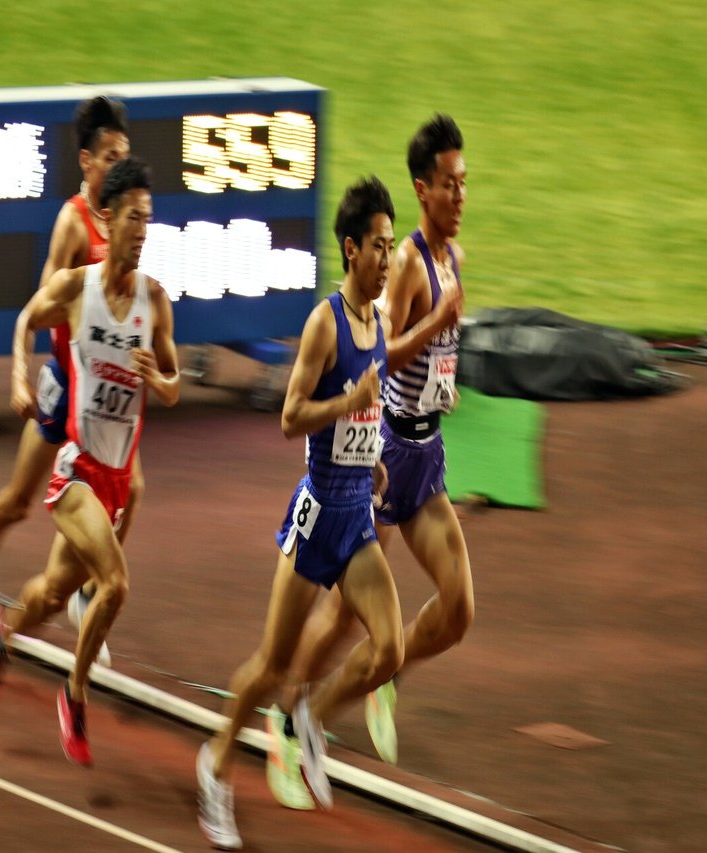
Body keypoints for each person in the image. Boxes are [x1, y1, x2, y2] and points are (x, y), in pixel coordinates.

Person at [268, 115, 473, 809]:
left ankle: (381, 675)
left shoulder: (454, 259)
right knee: (340, 616)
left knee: (458, 608)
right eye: (449, 183)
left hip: (426, 453)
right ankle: (290, 712)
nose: (460, 194)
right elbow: (378, 350)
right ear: (423, 189)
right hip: (382, 447)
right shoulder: (409, 262)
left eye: (464, 182)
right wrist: (437, 325)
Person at [196, 176, 404, 850]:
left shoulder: (381, 323)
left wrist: (368, 454)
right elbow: (289, 417)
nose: (386, 256)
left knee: (389, 647)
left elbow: (362, 414)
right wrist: (346, 407)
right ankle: (216, 764)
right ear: (350, 249)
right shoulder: (327, 321)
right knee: (269, 662)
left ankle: (307, 716)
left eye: (391, 245)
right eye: (377, 245)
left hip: (357, 516)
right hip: (316, 517)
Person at [0, 156, 179, 767]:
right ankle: (75, 694)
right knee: (114, 586)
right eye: (134, 218)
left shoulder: (155, 301)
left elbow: (171, 386)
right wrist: (17, 375)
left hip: (116, 479)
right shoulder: (75, 289)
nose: (143, 230)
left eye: (150, 219)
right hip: (76, 470)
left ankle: (1, 634)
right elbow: (23, 321)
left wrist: (158, 379)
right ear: (108, 219)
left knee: (53, 597)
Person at [0, 96, 141, 662]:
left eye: (123, 156)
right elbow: (42, 302)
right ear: (86, 161)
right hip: (66, 388)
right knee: (16, 502)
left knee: (133, 489)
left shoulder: (124, 221)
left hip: (105, 398)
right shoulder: (73, 222)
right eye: (109, 157)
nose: (117, 167)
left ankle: (86, 594)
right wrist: (27, 374)